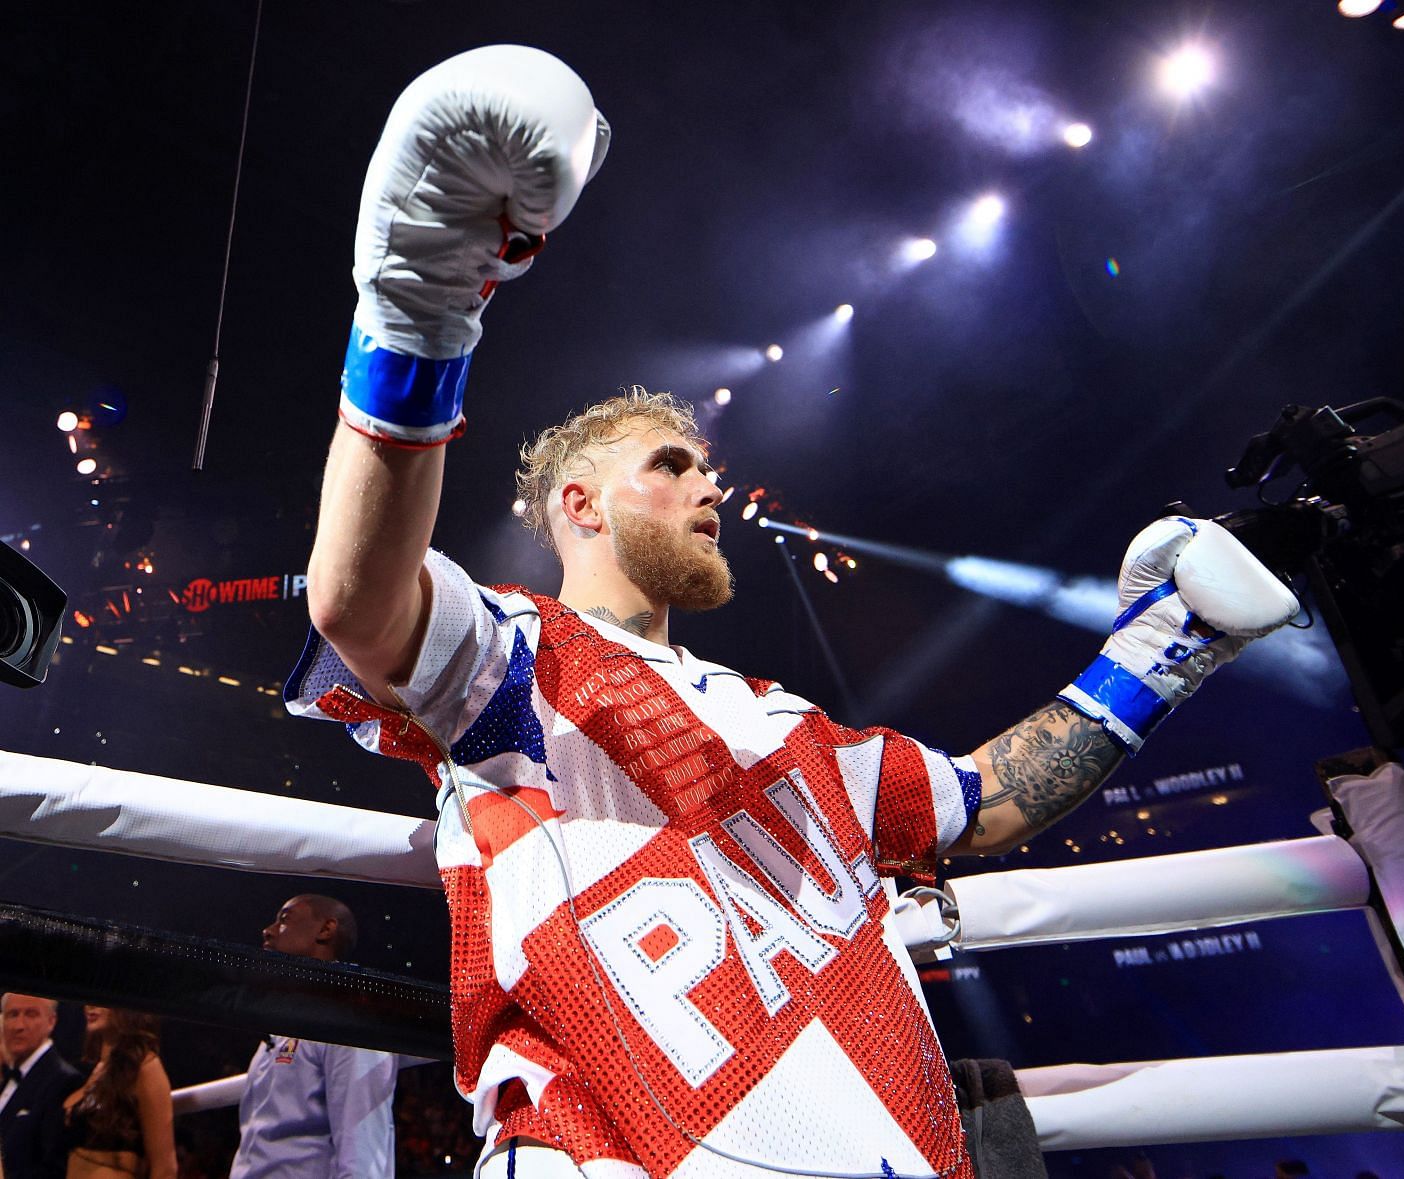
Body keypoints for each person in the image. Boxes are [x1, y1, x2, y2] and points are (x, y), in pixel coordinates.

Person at [287, 45, 1297, 1179]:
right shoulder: (513, 653)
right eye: (671, 466)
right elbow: (358, 597)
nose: (710, 486)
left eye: (706, 468)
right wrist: (423, 301)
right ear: (578, 504)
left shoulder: (792, 727)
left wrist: (1165, 648)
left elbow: (985, 801)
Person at [228, 895, 398, 1179]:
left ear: (325, 930)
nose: (267, 930)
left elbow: (362, 1157)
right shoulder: (279, 1031)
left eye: (284, 919)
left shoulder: (348, 1022)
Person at [61, 1007, 173, 1179]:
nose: (90, 1005)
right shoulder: (96, 1070)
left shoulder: (146, 1067)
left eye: (101, 999)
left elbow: (165, 1169)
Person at [2, 995, 82, 1179]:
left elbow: (54, 1170)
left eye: (31, 1014)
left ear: (51, 1021)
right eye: (12, 1015)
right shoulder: (9, 1075)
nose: (18, 1026)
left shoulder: (64, 1081)